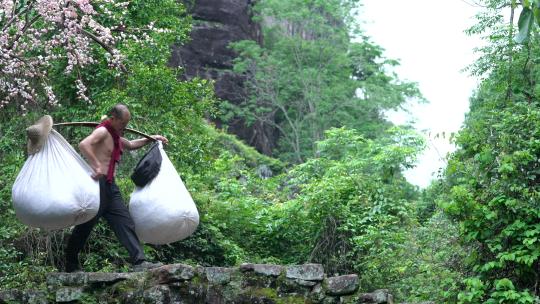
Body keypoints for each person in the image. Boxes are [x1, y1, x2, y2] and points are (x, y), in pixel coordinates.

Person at [64, 103, 168, 272]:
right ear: (113, 119)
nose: (124, 127)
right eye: (122, 123)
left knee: (124, 222)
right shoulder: (103, 131)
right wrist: (96, 165)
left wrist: (151, 138)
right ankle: (70, 264)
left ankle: (139, 262)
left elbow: (132, 144)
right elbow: (84, 144)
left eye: (126, 124)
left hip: (110, 187)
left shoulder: (116, 135)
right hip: (97, 186)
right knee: (85, 226)